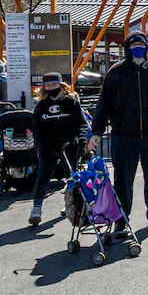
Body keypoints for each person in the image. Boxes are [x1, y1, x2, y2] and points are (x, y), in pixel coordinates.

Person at [87, 32, 148, 235]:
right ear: (127, 48)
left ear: (147, 46)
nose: (138, 47)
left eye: (141, 44)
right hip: (124, 136)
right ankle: (121, 219)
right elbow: (104, 105)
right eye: (134, 44)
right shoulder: (116, 72)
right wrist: (97, 131)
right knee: (122, 179)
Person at [28, 72, 87, 226]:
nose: (51, 88)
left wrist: (82, 141)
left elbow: (82, 123)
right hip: (49, 147)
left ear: (61, 85)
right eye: (48, 85)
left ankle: (71, 205)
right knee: (43, 177)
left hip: (69, 146)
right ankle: (36, 209)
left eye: (54, 84)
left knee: (71, 178)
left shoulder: (71, 102)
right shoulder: (41, 106)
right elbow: (37, 129)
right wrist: (41, 144)